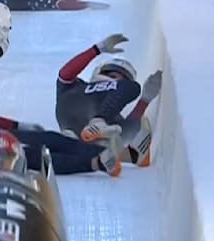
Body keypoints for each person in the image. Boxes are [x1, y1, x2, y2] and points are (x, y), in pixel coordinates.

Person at [0, 0, 126, 176]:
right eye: (4, 29)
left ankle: (114, 154)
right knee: (34, 155)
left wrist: (15, 125)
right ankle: (98, 162)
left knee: (52, 139)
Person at [54, 33, 161, 167]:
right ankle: (98, 124)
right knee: (133, 89)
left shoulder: (114, 115)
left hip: (79, 128)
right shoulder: (78, 86)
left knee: (126, 128)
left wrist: (145, 99)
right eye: (111, 74)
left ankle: (78, 144)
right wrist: (97, 49)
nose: (116, 79)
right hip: (74, 105)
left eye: (121, 77)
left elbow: (131, 125)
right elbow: (65, 74)